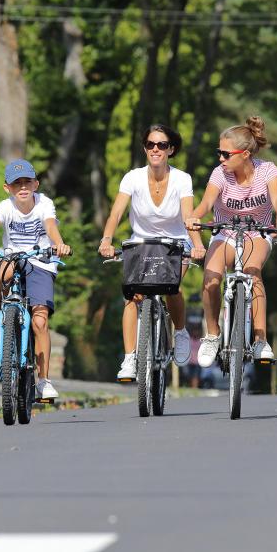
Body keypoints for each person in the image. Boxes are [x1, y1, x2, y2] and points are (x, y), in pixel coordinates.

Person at [99, 124, 206, 381]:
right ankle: (129, 358)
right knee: (132, 297)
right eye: (150, 145)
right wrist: (106, 239)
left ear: (171, 149)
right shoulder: (132, 178)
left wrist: (198, 244)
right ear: (145, 148)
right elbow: (116, 213)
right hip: (142, 242)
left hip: (175, 241)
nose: (155, 149)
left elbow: (188, 216)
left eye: (161, 145)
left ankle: (179, 332)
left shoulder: (182, 179)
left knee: (173, 287)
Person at [186, 116, 277, 368]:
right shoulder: (220, 174)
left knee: (252, 274)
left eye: (225, 154)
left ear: (244, 154)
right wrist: (194, 217)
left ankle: (260, 340)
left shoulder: (267, 171)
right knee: (211, 279)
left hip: (257, 233)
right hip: (225, 232)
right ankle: (212, 335)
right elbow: (206, 203)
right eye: (218, 153)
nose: (220, 159)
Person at [0, 158, 71, 400]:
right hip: (14, 257)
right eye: (16, 184)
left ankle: (43, 381)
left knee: (40, 321)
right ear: (7, 188)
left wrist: (59, 245)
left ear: (36, 184)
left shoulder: (44, 204)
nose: (22, 187)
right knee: (2, 273)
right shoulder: (4, 207)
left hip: (40, 261)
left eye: (27, 182)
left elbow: (51, 226)